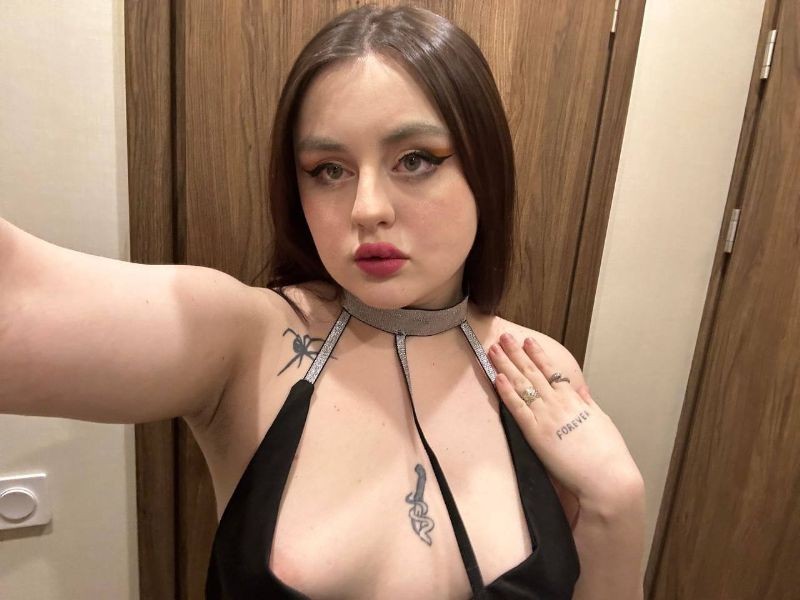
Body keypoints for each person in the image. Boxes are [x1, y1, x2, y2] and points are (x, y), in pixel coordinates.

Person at [0, 5, 645, 600]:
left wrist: (616, 501)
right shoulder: (244, 342)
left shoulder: (534, 366)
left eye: (415, 159)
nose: (367, 208)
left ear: (486, 169)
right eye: (329, 170)